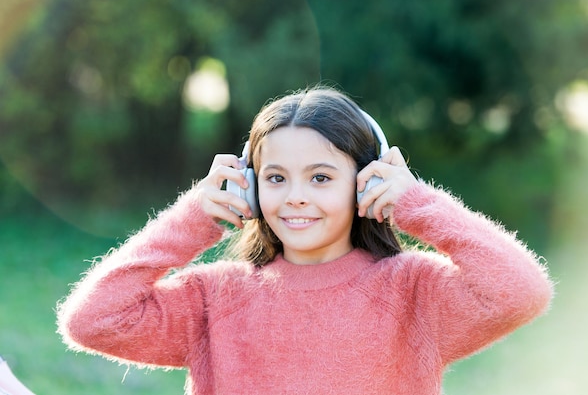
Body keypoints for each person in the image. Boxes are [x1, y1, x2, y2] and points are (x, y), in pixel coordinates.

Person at [57, 85, 553, 394]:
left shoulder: (411, 291)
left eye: (320, 178)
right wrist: (193, 220)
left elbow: (521, 290)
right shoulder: (216, 298)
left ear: (366, 181)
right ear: (250, 188)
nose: (295, 198)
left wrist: (416, 204)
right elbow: (92, 320)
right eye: (275, 178)